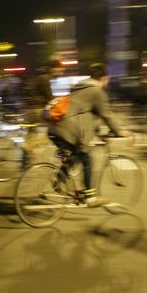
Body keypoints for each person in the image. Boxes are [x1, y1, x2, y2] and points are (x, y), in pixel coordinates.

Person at [48, 63, 133, 207]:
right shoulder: (96, 91)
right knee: (86, 159)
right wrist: (121, 132)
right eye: (107, 79)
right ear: (104, 78)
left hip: (55, 128)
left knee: (75, 156)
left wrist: (100, 135)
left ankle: (59, 179)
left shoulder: (81, 88)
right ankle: (90, 197)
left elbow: (88, 116)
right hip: (68, 130)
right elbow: (107, 115)